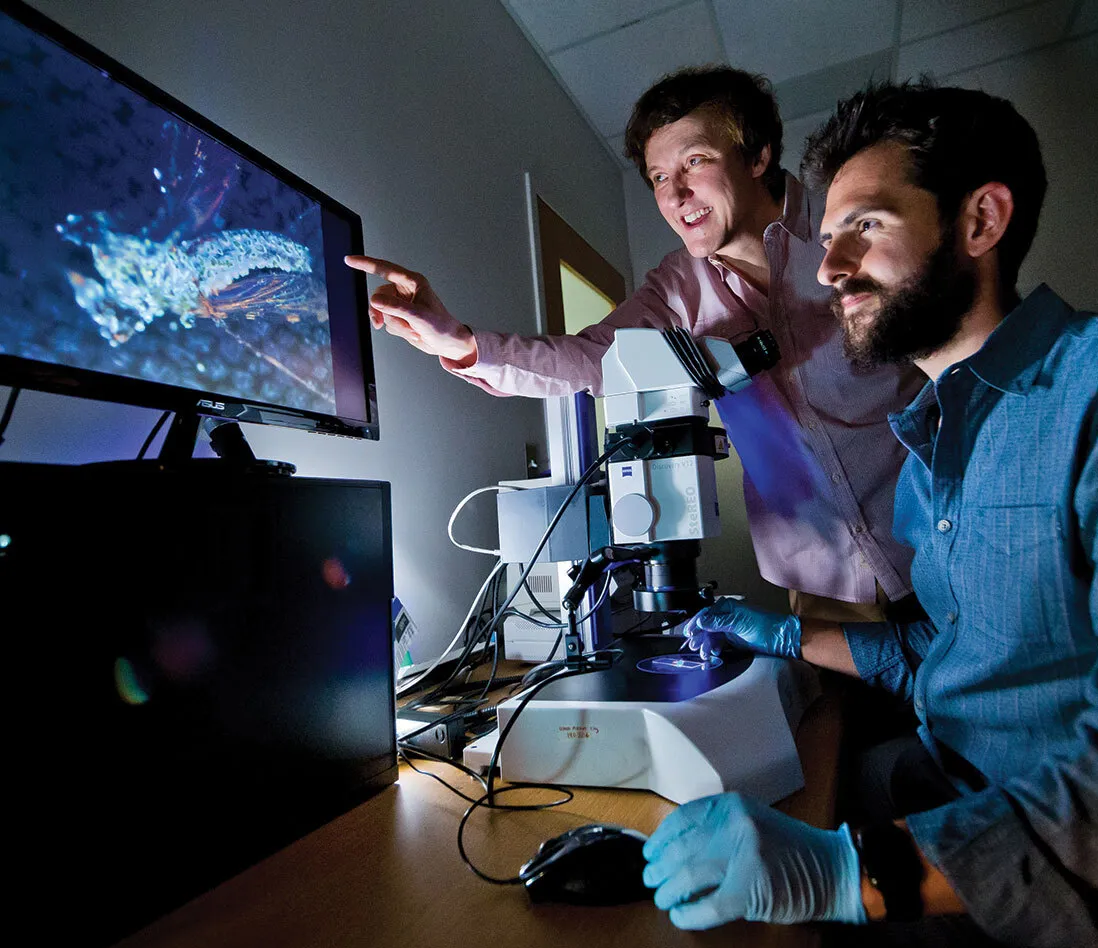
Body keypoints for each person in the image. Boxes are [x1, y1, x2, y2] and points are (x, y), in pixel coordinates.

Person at [649, 81, 1098, 948]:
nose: (829, 270)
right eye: (827, 239)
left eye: (864, 226)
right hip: (946, 777)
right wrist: (784, 637)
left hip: (1063, 869)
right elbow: (944, 660)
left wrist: (849, 874)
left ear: (981, 223)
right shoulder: (930, 442)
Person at [346, 66, 923, 622]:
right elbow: (589, 361)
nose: (676, 194)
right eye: (657, 178)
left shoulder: (848, 227)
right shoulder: (675, 288)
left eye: (695, 161)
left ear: (757, 156)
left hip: (934, 537)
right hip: (822, 575)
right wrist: (464, 343)